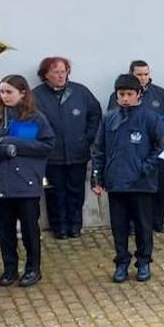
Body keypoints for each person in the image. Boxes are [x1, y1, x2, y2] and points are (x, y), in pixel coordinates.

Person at [0, 75, 54, 287]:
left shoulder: (35, 118)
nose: (5, 96)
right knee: (5, 231)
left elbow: (46, 146)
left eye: (9, 92)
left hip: (25, 184)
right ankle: (10, 269)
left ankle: (33, 269)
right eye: (2, 92)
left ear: (22, 93)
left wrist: (14, 144)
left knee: (29, 230)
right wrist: (1, 150)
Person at [91, 75, 164, 283]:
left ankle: (143, 262)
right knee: (119, 226)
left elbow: (161, 146)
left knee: (143, 226)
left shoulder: (151, 118)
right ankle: (121, 263)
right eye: (121, 94)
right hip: (116, 181)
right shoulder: (109, 118)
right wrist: (97, 178)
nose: (125, 98)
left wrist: (146, 167)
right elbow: (99, 149)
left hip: (141, 183)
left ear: (138, 95)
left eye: (129, 94)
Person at [108, 61, 164, 233]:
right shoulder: (120, 96)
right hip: (132, 152)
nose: (143, 78)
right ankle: (133, 225)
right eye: (139, 75)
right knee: (134, 191)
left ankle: (157, 222)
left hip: (159, 149)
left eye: (145, 74)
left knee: (160, 188)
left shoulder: (161, 94)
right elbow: (115, 119)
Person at [33, 56, 101, 239]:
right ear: (46, 74)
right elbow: (30, 121)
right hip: (51, 155)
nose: (61, 75)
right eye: (56, 72)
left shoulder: (80, 92)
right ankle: (59, 227)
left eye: (64, 71)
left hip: (78, 153)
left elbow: (95, 114)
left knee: (76, 191)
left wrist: (87, 138)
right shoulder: (36, 95)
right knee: (55, 192)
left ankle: (75, 226)